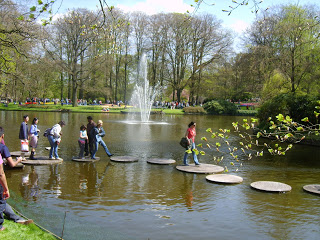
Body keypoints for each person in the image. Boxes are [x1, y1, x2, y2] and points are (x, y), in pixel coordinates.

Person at [0, 127, 33, 227]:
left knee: (3, 202)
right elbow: (7, 168)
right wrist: (19, 160)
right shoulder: (3, 147)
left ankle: (18, 219)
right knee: (2, 201)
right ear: (2, 136)